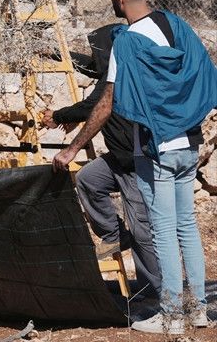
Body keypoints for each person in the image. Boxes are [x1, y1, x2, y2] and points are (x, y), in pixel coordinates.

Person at [53, 0, 216, 333]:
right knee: (187, 226)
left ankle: (171, 316)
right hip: (189, 143)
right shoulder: (176, 25)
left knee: (163, 231)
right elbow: (204, 73)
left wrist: (72, 149)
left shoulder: (126, 42)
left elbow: (106, 103)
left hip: (156, 149)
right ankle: (198, 310)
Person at [40, 23, 161, 296]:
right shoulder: (113, 68)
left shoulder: (119, 75)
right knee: (88, 179)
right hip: (118, 159)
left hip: (135, 162)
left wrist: (58, 116)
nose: (96, 58)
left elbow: (92, 106)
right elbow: (89, 66)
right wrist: (55, 53)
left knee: (142, 230)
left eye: (98, 51)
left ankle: (155, 292)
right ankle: (114, 234)